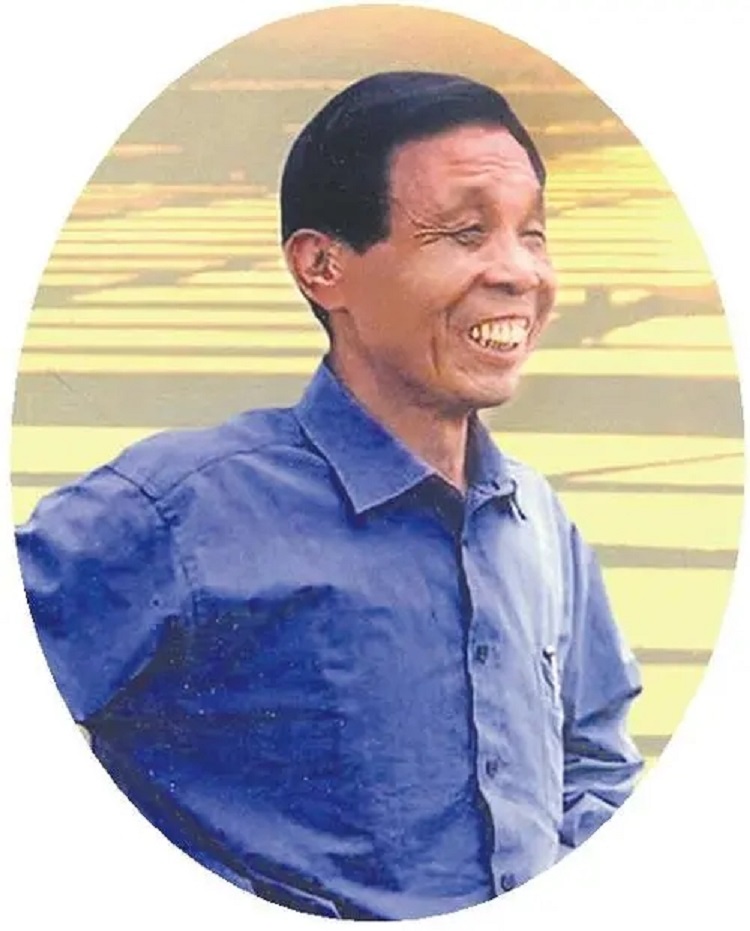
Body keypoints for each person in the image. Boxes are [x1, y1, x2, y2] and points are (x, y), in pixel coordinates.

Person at [16, 71, 643, 921]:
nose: (517, 271)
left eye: (531, 233)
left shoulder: (538, 522)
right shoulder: (178, 513)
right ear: (323, 266)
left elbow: (596, 763)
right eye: (465, 232)